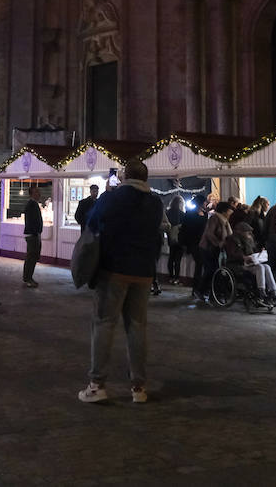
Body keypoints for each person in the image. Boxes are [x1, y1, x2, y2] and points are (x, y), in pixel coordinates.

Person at [79, 160, 163, 404]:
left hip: (114, 269)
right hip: (144, 272)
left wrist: (106, 195)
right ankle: (138, 387)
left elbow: (92, 221)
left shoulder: (112, 197)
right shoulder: (155, 202)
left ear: (125, 176)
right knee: (137, 326)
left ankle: (97, 385)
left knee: (104, 323)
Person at [225, 209, 276, 306]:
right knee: (260, 267)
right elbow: (232, 254)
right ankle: (261, 292)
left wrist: (260, 252)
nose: (249, 235)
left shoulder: (249, 240)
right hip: (237, 264)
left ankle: (273, 292)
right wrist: (244, 257)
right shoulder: (231, 240)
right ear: (239, 232)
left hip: (250, 263)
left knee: (266, 267)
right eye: (247, 232)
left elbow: (254, 251)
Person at [198, 201, 233, 305]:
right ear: (225, 210)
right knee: (211, 270)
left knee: (214, 270)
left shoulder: (224, 220)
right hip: (208, 248)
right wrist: (218, 243)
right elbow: (209, 233)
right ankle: (202, 291)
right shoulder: (215, 218)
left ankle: (209, 292)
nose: (231, 212)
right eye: (230, 210)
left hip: (216, 249)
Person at [180, 198, 209, 300]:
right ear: (200, 203)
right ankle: (197, 288)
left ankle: (200, 288)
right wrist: (184, 244)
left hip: (203, 243)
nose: (206, 203)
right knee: (200, 264)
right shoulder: (190, 214)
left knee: (202, 265)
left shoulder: (205, 214)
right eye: (205, 202)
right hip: (194, 243)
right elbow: (185, 229)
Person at [22, 186, 45, 288]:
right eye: (36, 192)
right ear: (31, 194)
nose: (39, 194)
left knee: (32, 257)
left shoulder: (33, 204)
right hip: (33, 235)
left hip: (34, 234)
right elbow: (32, 220)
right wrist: (36, 232)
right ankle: (28, 278)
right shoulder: (31, 205)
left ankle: (28, 277)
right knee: (32, 257)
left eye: (38, 192)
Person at [165, 196, 186, 285]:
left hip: (171, 237)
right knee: (178, 260)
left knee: (171, 257)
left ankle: (170, 277)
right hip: (180, 238)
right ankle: (176, 278)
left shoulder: (167, 213)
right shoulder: (183, 214)